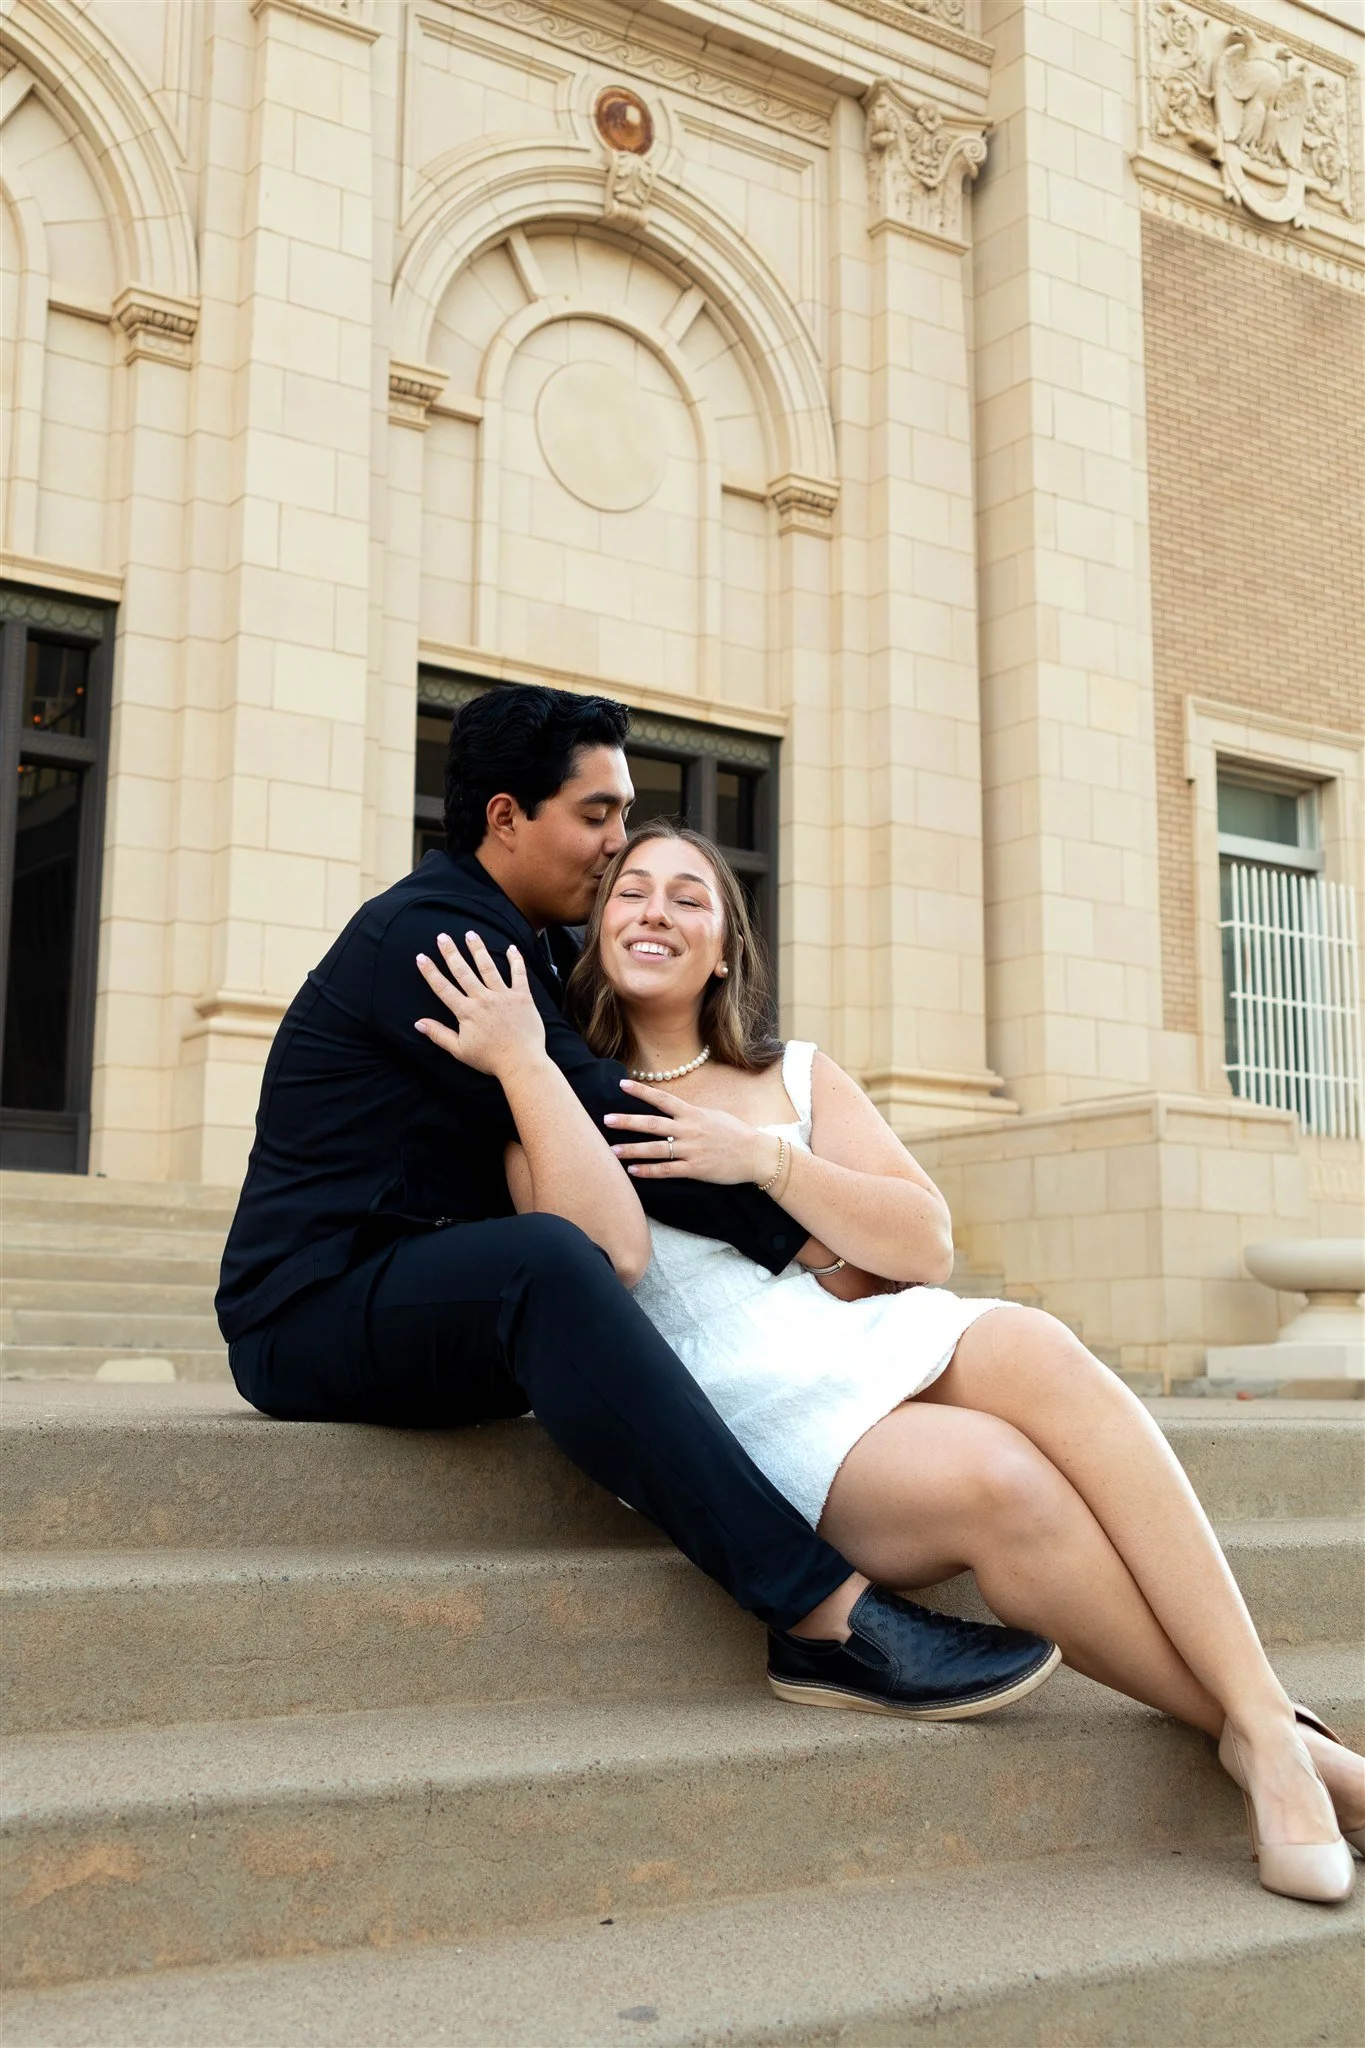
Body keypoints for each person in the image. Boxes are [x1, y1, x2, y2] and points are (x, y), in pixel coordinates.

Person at [414, 817, 1363, 1907]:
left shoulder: (797, 1075)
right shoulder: (554, 1096)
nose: (655, 912)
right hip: (746, 1399)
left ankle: (1272, 1738)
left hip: (863, 1334)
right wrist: (528, 1061)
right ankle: (1287, 1744)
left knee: (1037, 1344)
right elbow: (606, 1259)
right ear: (596, 926)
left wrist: (766, 1157)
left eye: (690, 896)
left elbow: (921, 1243)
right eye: (632, 890)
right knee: (1001, 1477)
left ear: (725, 945)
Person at [218, 683, 1057, 1720]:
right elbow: (610, 1112)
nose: (618, 846)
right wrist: (797, 1238)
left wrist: (808, 1224)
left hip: (431, 1284)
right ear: (506, 817)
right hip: (310, 1309)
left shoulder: (539, 946)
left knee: (556, 1261)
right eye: (598, 814)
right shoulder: (436, 935)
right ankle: (825, 1619)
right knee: (550, 1262)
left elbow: (613, 1120)